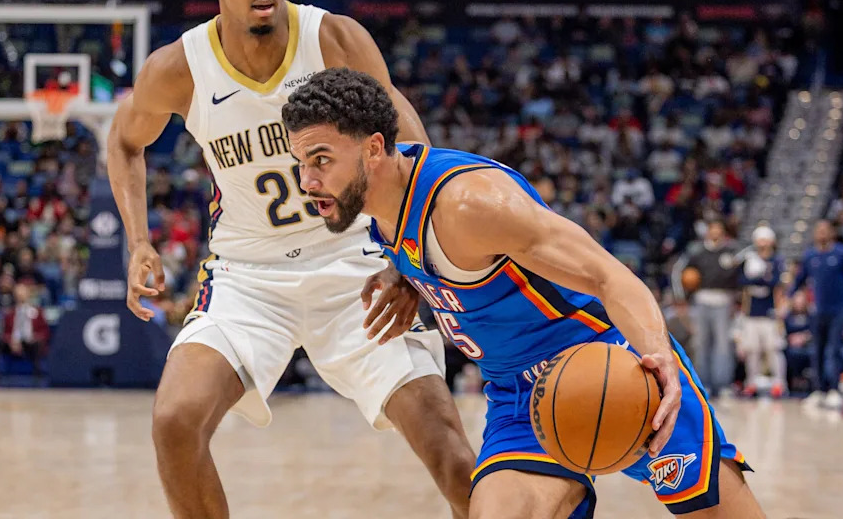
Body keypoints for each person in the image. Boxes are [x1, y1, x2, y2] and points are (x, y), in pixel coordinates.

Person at [106, 0, 475, 519]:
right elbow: (124, 143)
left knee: (447, 446)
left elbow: (413, 146)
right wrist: (138, 239)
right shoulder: (180, 68)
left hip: (356, 264)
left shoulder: (333, 38)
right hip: (248, 276)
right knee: (174, 420)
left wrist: (411, 261)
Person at [283, 68, 764, 519]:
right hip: (519, 396)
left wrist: (658, 356)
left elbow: (608, 276)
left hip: (608, 363)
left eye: (321, 159)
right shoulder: (376, 202)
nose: (306, 181)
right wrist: (400, 272)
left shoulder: (469, 205)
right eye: (301, 163)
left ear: (373, 149)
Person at [789, 220, 843, 409]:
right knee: (817, 351)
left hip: (838, 310)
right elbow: (800, 279)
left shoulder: (841, 254)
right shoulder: (810, 255)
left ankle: (834, 390)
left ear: (831, 232)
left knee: (834, 349)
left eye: (825, 230)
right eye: (818, 230)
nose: (821, 234)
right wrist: (788, 296)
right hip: (817, 312)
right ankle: (818, 390)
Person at [673, 220, 741, 398]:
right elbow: (680, 273)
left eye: (719, 228)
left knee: (723, 345)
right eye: (713, 229)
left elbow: (739, 278)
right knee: (701, 343)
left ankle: (724, 384)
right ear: (708, 232)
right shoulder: (697, 253)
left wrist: (737, 299)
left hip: (724, 300)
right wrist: (682, 298)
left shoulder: (731, 252)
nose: (716, 232)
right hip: (702, 299)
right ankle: (703, 384)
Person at [738, 226, 786, 398]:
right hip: (751, 311)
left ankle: (779, 383)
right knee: (752, 350)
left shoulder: (777, 260)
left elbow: (774, 281)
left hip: (770, 312)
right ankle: (751, 383)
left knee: (773, 348)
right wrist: (760, 279)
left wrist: (758, 280)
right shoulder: (749, 259)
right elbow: (742, 280)